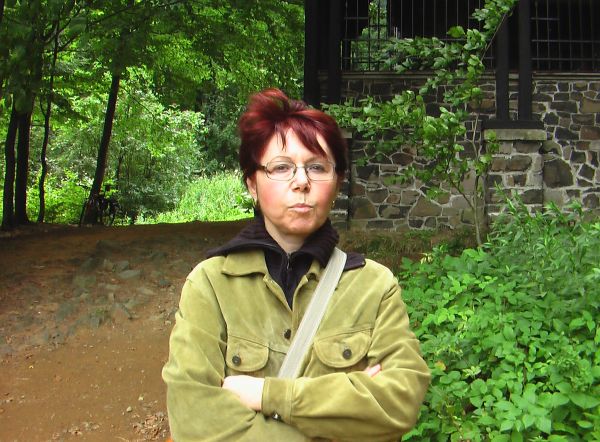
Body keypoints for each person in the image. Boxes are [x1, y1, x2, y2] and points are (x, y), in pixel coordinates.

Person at [162, 88, 430, 441]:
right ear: (252, 184)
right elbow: (193, 419)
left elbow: (401, 401)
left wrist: (267, 395)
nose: (301, 181)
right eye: (281, 167)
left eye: (317, 167)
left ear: (337, 183)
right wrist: (345, 411)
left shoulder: (374, 286)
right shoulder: (211, 285)